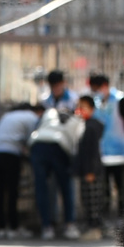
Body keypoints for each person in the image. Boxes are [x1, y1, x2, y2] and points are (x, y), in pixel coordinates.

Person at [27, 91, 78, 239]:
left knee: (41, 187)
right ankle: (69, 225)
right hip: (58, 148)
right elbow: (75, 144)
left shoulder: (47, 114)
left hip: (37, 146)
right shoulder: (74, 120)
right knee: (66, 187)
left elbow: (35, 129)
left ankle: (46, 227)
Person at [0, 99, 38, 237]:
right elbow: (32, 140)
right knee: (12, 191)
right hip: (10, 154)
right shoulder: (31, 117)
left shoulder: (7, 116)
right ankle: (14, 227)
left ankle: (1, 227)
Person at [85, 72, 124, 217]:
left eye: (96, 88)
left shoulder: (120, 100)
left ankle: (123, 216)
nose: (95, 92)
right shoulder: (96, 103)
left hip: (120, 153)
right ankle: (105, 217)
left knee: (122, 187)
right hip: (103, 153)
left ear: (104, 86)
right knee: (104, 188)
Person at [73, 94, 108, 239]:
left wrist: (91, 171)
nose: (80, 110)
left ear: (91, 108)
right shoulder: (84, 125)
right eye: (79, 107)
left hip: (91, 171)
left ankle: (95, 229)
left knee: (93, 201)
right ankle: (93, 227)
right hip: (86, 170)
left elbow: (92, 151)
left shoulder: (92, 126)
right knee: (87, 200)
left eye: (83, 107)